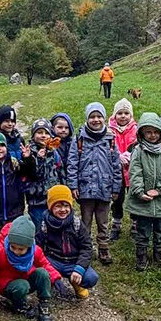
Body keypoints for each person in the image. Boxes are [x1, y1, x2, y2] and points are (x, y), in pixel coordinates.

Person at [0, 216, 64, 321]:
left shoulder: (35, 251)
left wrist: (56, 278)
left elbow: (45, 264)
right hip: (8, 284)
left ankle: (44, 303)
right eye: (13, 247)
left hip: (26, 279)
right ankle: (20, 306)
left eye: (21, 249)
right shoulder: (0, 250)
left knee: (42, 273)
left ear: (29, 247)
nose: (16, 252)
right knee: (22, 285)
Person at [67, 102, 122, 265]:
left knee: (103, 221)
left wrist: (116, 187)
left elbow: (116, 165)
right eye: (92, 116)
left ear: (104, 118)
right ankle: (86, 248)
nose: (96, 120)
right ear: (87, 118)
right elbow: (72, 163)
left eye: (99, 116)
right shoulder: (79, 138)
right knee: (85, 221)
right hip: (85, 189)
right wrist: (73, 185)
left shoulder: (111, 139)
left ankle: (104, 248)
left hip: (105, 188)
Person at [127, 112, 161, 270]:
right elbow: (135, 172)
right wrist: (140, 192)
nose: (152, 135)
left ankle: (159, 253)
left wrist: (160, 190)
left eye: (156, 132)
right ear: (141, 133)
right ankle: (141, 255)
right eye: (148, 132)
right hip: (143, 199)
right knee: (142, 229)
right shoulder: (138, 151)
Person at [35, 185, 97, 299]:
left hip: (73, 261)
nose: (63, 210)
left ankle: (76, 282)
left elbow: (87, 247)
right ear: (50, 207)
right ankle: (48, 287)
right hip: (54, 260)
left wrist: (79, 268)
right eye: (58, 206)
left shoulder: (77, 223)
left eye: (66, 205)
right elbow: (37, 247)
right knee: (39, 271)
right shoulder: (45, 224)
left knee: (91, 278)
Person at [25, 118, 64, 229]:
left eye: (46, 133)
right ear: (33, 135)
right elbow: (34, 174)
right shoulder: (29, 153)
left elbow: (61, 170)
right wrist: (39, 159)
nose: (43, 136)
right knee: (39, 229)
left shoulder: (54, 152)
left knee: (55, 227)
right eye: (39, 132)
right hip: (37, 201)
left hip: (53, 198)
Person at [108, 98, 137, 241]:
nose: (123, 116)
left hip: (133, 171)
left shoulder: (136, 129)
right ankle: (116, 223)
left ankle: (135, 223)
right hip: (116, 171)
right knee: (117, 198)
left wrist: (132, 155)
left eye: (126, 113)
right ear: (114, 115)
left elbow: (139, 145)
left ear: (131, 115)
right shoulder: (109, 130)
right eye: (120, 113)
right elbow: (107, 148)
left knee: (134, 197)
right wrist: (117, 156)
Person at [50, 113, 74, 179]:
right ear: (52, 128)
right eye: (60, 127)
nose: (63, 130)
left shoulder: (72, 143)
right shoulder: (50, 143)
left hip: (69, 174)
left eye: (66, 128)